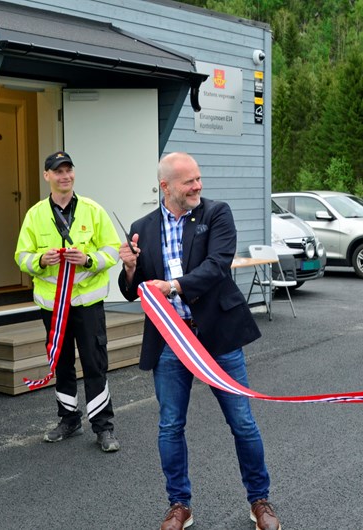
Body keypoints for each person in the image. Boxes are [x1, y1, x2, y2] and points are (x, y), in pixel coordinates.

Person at [118, 152, 281, 530]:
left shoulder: (215, 213)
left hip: (218, 339)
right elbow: (132, 291)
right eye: (188, 181)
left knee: (242, 422)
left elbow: (217, 265)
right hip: (170, 344)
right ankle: (179, 505)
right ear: (165, 187)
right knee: (170, 426)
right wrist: (129, 268)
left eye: (198, 178)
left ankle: (260, 501)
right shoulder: (142, 226)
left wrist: (173, 286)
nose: (197, 186)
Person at [14, 151, 121, 452]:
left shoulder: (93, 210)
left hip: (87, 304)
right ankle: (68, 419)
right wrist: (39, 260)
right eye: (57, 171)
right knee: (62, 363)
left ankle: (103, 427)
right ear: (47, 176)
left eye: (68, 170)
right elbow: (21, 256)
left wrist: (88, 259)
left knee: (95, 362)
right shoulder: (35, 214)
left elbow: (113, 249)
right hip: (52, 307)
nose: (64, 176)